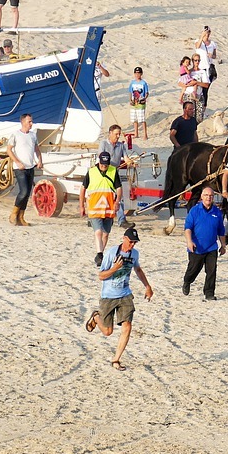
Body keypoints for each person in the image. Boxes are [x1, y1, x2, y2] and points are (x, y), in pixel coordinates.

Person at [85, 225, 153, 371]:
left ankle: (116, 359)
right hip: (108, 296)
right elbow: (101, 276)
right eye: (131, 241)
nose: (132, 245)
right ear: (124, 239)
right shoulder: (111, 253)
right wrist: (115, 268)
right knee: (107, 332)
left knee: (127, 326)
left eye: (135, 242)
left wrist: (147, 286)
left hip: (125, 294)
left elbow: (138, 269)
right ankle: (96, 317)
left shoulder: (134, 254)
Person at [182, 186, 227, 300]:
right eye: (206, 195)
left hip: (211, 247)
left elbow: (221, 231)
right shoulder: (194, 211)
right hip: (196, 247)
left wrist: (223, 246)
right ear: (201, 197)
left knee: (211, 271)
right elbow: (188, 228)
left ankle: (209, 293)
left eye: (211, 196)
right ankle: (187, 281)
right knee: (194, 270)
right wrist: (189, 241)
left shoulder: (217, 212)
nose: (208, 197)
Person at [80, 151, 123, 266]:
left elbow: (119, 188)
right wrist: (82, 206)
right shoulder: (91, 172)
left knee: (105, 234)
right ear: (99, 162)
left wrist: (117, 201)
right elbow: (83, 189)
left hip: (109, 208)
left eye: (106, 164)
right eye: (102, 164)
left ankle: (100, 254)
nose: (104, 166)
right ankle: (99, 254)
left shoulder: (113, 171)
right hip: (94, 208)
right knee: (98, 232)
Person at [6, 112, 43, 226]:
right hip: (20, 168)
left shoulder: (33, 135)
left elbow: (37, 149)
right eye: (29, 121)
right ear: (23, 122)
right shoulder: (16, 134)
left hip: (30, 167)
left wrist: (40, 160)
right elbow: (9, 150)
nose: (31, 123)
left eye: (32, 121)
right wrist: (17, 162)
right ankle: (13, 213)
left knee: (27, 194)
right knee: (24, 191)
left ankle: (21, 217)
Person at [100, 124, 136, 226]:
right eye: (116, 134)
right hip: (105, 173)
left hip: (115, 172)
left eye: (119, 134)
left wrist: (130, 162)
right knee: (105, 195)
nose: (118, 136)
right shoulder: (103, 144)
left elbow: (126, 158)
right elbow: (101, 158)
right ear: (110, 133)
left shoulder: (121, 145)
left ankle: (121, 220)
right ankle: (98, 218)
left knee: (118, 195)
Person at [128, 66, 150, 141]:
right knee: (134, 119)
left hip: (141, 102)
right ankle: (136, 133)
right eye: (136, 73)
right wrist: (130, 100)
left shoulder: (143, 83)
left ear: (141, 74)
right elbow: (130, 92)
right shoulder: (132, 83)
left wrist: (144, 99)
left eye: (139, 73)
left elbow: (146, 92)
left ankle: (145, 134)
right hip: (134, 102)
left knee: (142, 119)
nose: (137, 75)